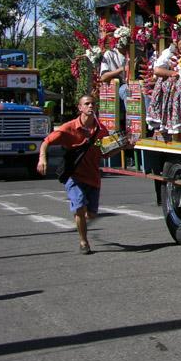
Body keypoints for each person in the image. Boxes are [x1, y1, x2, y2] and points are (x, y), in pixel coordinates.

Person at [36, 95, 110, 255]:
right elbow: (46, 142)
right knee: (79, 207)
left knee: (91, 213)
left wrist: (122, 147)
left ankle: (83, 220)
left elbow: (103, 153)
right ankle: (84, 241)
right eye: (87, 104)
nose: (91, 106)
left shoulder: (101, 130)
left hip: (93, 177)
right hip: (74, 176)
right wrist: (42, 159)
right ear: (80, 108)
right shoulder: (69, 128)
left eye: (93, 104)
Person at [145, 42, 181, 141]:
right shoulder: (168, 53)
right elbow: (157, 70)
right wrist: (174, 73)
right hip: (175, 82)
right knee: (169, 85)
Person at [99, 27, 130, 128]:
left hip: (135, 83)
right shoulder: (110, 54)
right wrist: (121, 70)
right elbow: (103, 77)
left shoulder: (134, 52)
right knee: (126, 90)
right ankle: (130, 125)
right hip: (119, 86)